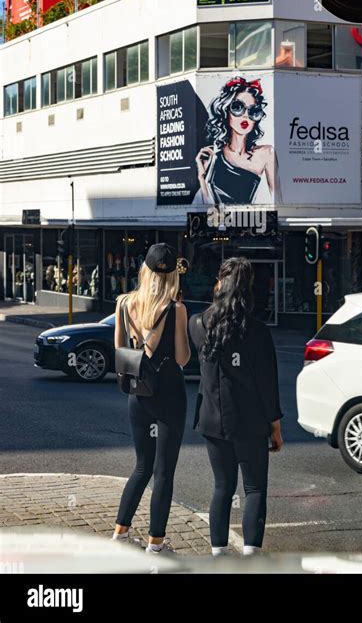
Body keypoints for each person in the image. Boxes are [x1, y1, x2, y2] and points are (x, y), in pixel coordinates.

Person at [188, 257, 283, 557]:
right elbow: (267, 385)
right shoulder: (257, 331)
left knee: (222, 487)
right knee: (254, 489)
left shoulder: (197, 324)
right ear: (247, 289)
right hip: (251, 422)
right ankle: (251, 554)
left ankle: (218, 553)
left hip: (212, 420)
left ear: (219, 285)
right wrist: (275, 426)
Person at [112, 243, 191, 553]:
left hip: (138, 395)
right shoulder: (176, 309)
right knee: (164, 472)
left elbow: (120, 350)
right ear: (172, 276)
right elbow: (183, 358)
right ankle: (155, 544)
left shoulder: (123, 304)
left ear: (143, 270)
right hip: (170, 395)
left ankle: (120, 533)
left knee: (142, 466)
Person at [193, 76, 281, 205]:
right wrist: (201, 177)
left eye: (253, 111)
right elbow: (208, 207)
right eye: (238, 107)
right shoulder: (213, 158)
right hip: (220, 221)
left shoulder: (266, 154)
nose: (245, 115)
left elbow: (278, 202)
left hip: (250, 221)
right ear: (225, 110)